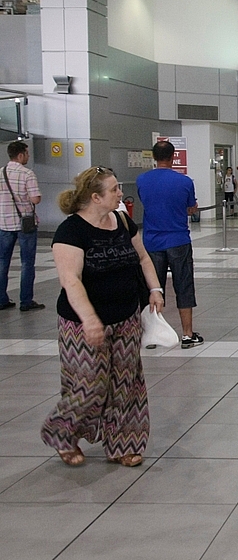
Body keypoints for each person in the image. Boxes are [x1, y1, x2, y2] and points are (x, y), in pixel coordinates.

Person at [41, 166, 163, 468]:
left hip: (126, 317)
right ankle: (61, 432)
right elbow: (71, 280)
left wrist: (155, 289)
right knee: (88, 384)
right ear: (95, 197)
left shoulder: (122, 221)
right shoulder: (71, 231)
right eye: (114, 190)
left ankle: (124, 444)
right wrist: (90, 319)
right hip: (81, 323)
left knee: (127, 384)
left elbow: (144, 257)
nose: (120, 193)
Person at [136, 140, 203, 349]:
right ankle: (187, 334)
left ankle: (153, 334)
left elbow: (146, 202)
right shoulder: (184, 182)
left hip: (152, 241)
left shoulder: (142, 180)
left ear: (154, 157)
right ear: (174, 156)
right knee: (184, 285)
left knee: (155, 287)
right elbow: (191, 208)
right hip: (178, 240)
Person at [0, 141, 44, 312]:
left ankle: (2, 299)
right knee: (27, 262)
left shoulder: (1, 173)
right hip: (25, 223)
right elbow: (35, 199)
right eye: (27, 153)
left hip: (3, 223)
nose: (28, 156)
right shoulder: (27, 174)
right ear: (20, 155)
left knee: (3, 261)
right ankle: (26, 301)